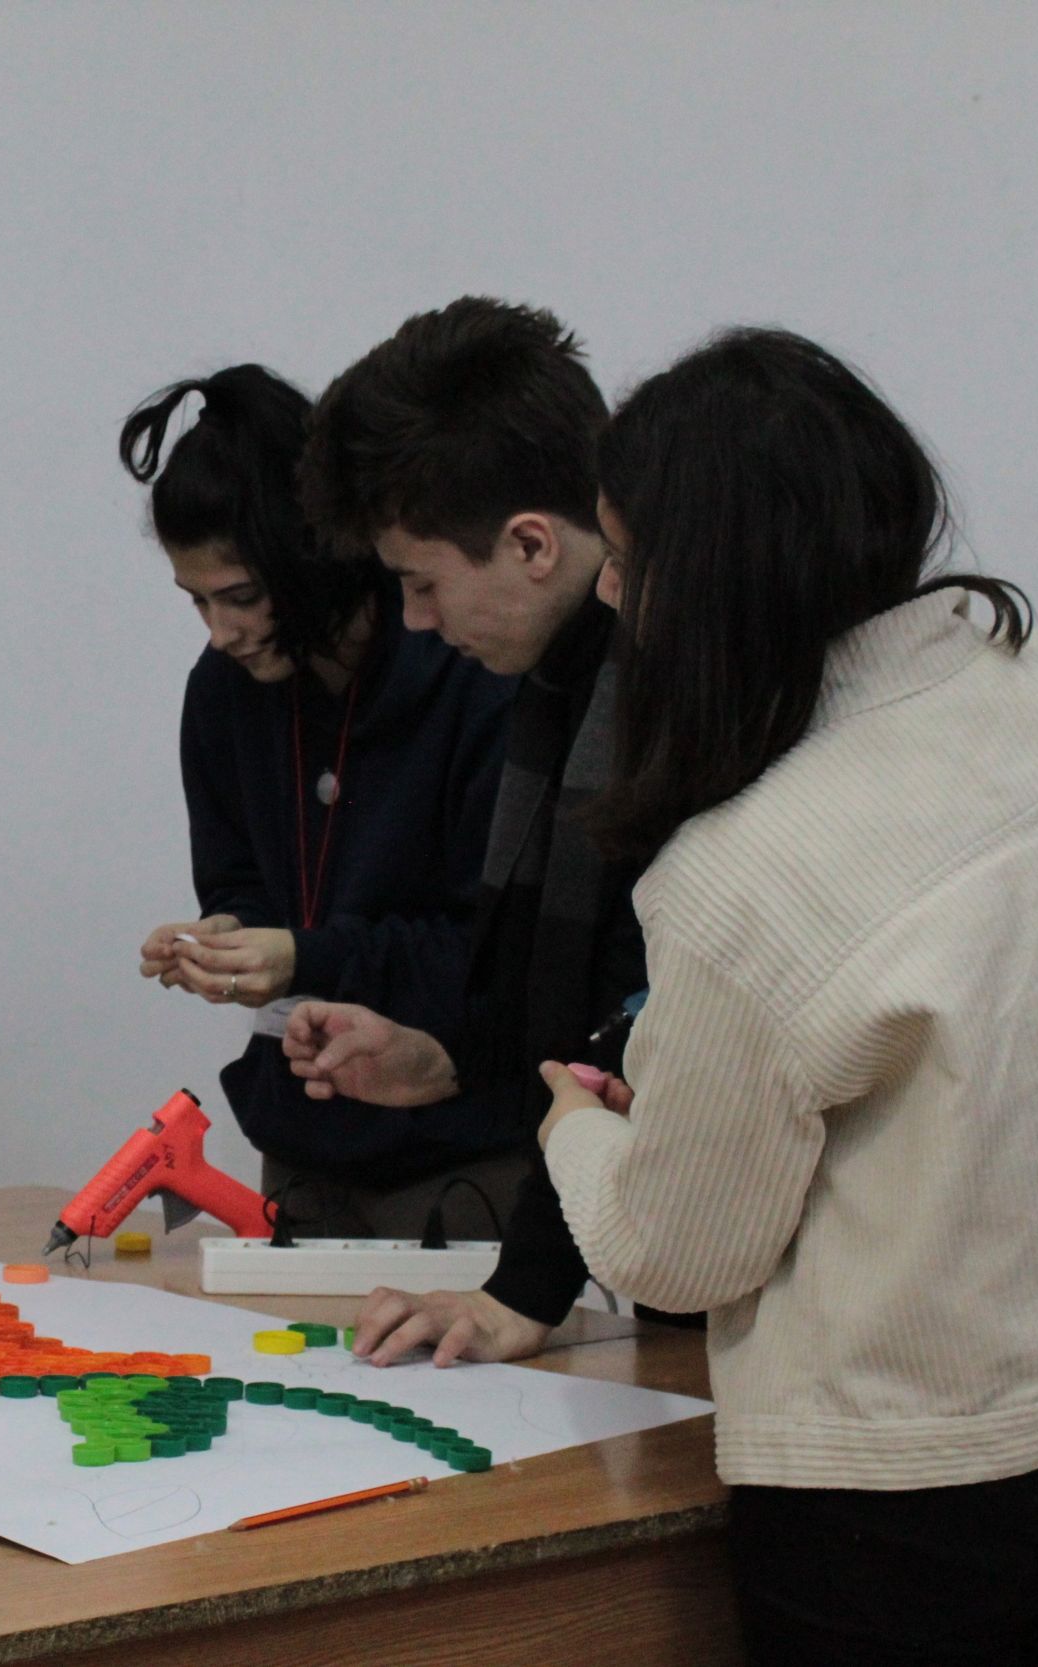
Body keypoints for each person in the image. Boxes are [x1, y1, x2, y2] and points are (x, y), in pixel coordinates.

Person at [533, 327, 1038, 1664]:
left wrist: (576, 1133)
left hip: (912, 1499)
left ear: (716, 576)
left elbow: (680, 1251)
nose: (608, 594)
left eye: (627, 558)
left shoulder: (743, 872)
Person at [280, 297, 647, 1362]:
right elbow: (566, 1013)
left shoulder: (664, 698)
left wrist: (519, 1294)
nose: (416, 620)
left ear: (531, 543)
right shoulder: (555, 684)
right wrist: (441, 1061)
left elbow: (641, 1032)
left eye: (421, 582)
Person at [120, 366, 517, 1238]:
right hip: (301, 1143)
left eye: (241, 596)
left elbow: (493, 954)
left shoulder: (471, 672)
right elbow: (241, 885)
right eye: (196, 600)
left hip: (463, 1150)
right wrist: (227, 940)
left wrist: (302, 955)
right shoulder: (222, 692)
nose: (220, 631)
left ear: (317, 556)